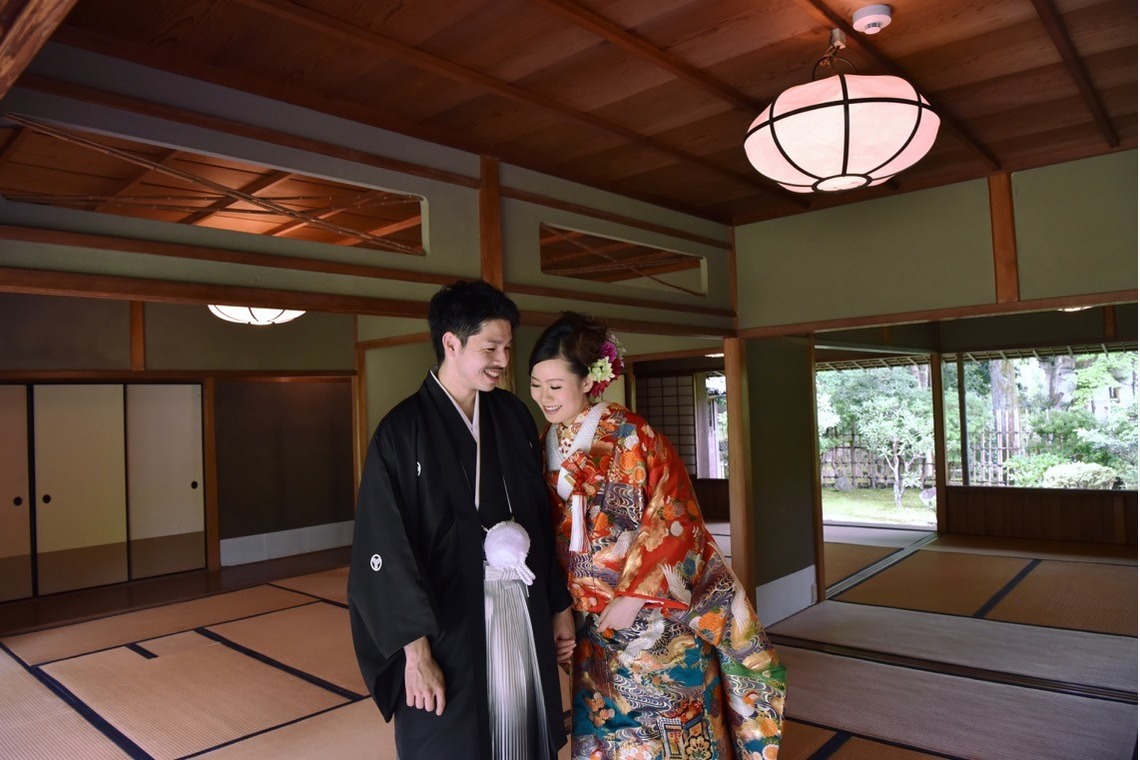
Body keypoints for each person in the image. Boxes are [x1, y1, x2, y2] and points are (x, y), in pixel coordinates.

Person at [529, 312, 787, 760]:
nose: (544, 398)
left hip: (653, 618)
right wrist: (559, 609)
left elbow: (675, 515)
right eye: (536, 385)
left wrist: (633, 595)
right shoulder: (542, 443)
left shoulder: (633, 435)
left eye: (555, 386)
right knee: (604, 730)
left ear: (589, 380)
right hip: (591, 622)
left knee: (671, 730)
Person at [348, 280, 574, 760]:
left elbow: (538, 513)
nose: (503, 360)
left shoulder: (511, 415)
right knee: (450, 740)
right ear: (451, 342)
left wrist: (558, 605)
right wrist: (415, 652)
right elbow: (383, 545)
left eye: (508, 347)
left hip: (521, 607)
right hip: (447, 627)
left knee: (522, 733)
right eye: (490, 346)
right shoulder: (401, 430)